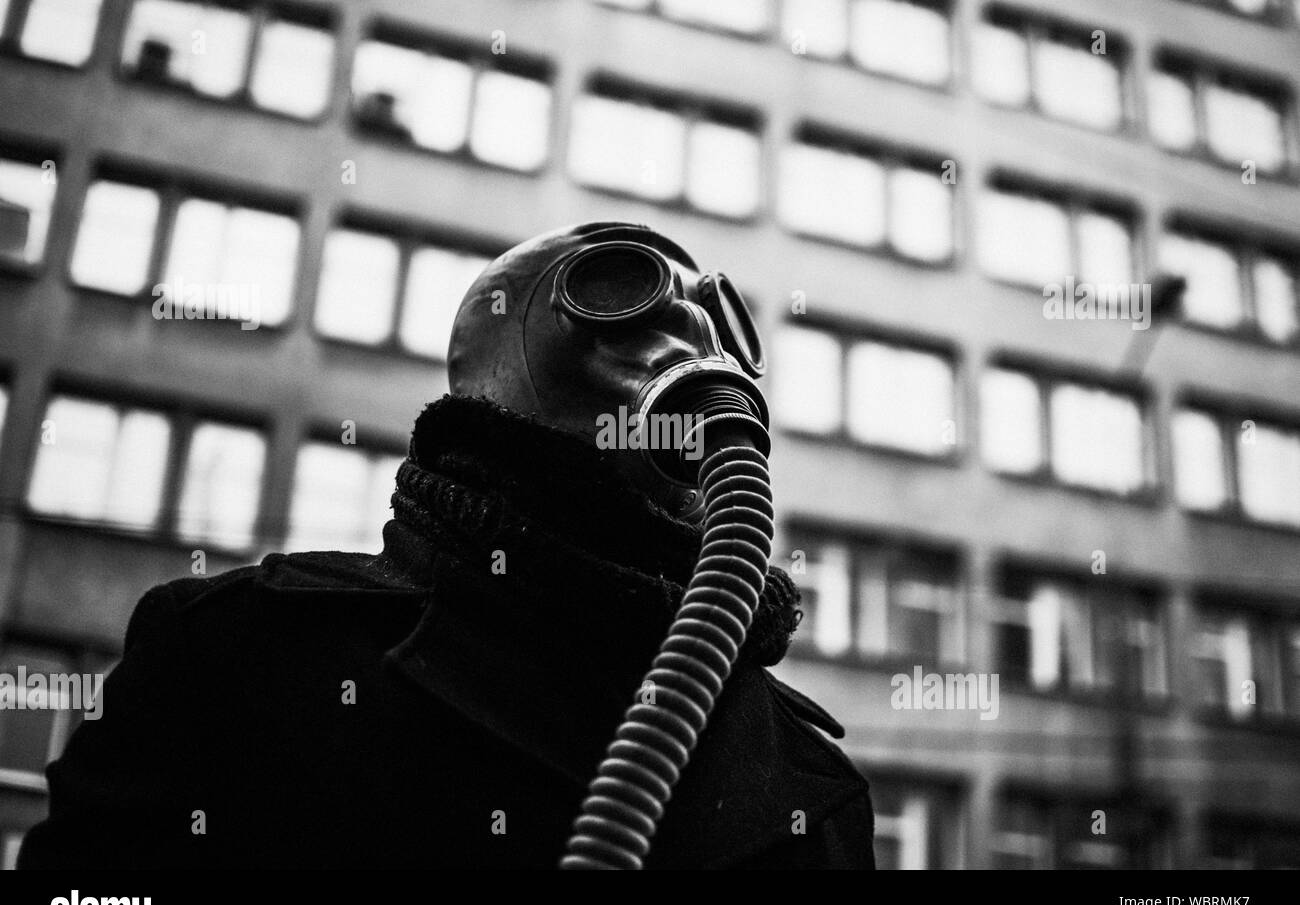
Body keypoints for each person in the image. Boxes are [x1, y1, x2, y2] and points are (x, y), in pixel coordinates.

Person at [19, 221, 875, 869]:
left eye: (712, 311)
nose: (690, 326)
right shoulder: (236, 652)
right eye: (621, 290)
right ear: (504, 367)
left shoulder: (813, 784)